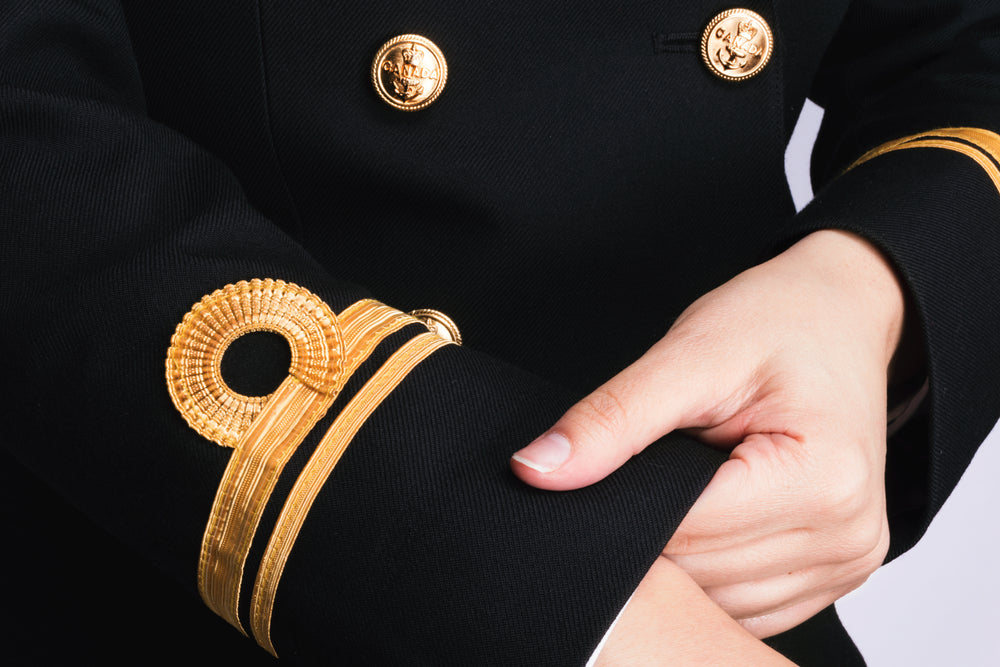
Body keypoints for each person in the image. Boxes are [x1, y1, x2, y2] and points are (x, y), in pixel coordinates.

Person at [2, 1, 998, 664]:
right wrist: (536, 579)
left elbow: (967, 45)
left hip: (713, 604)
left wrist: (875, 292)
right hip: (225, 564)